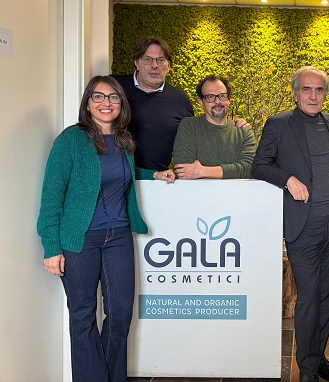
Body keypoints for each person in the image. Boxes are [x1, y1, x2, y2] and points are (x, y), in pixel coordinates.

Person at [36, 76, 165, 382]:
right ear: (88, 102)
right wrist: (51, 247)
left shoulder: (123, 140)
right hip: (80, 240)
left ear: (121, 103)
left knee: (120, 313)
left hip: (118, 236)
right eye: (98, 96)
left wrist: (155, 174)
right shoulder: (70, 141)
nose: (106, 103)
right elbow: (51, 196)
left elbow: (123, 173)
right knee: (82, 315)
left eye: (113, 97)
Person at [252, 66, 329, 382]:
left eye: (319, 90)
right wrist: (287, 179)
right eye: (307, 89)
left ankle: (318, 358)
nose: (313, 95)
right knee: (308, 296)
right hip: (303, 226)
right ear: (295, 93)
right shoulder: (279, 124)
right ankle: (306, 369)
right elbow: (259, 166)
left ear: (325, 94)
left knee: (328, 294)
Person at [112, 36, 194, 180]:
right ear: (136, 62)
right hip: (115, 179)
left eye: (161, 60)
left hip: (158, 181)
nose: (154, 65)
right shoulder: (114, 88)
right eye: (147, 59)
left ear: (168, 66)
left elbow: (193, 139)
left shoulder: (180, 100)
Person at [173, 75, 256, 179]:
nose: (217, 101)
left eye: (222, 95)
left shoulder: (244, 132)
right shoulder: (189, 126)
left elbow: (250, 169)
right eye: (210, 97)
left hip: (236, 191)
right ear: (201, 101)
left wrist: (203, 171)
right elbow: (183, 170)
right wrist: (231, 172)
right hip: (197, 191)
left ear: (229, 99)